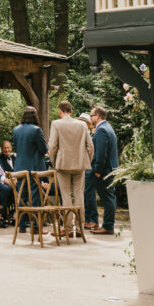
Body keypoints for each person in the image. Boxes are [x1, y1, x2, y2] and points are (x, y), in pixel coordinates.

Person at [49, 100, 94, 237]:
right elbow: (90, 147)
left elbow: (52, 147)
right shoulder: (82, 125)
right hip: (80, 165)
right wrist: (86, 161)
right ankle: (80, 228)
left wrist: (54, 162)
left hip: (62, 165)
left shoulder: (56, 124)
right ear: (72, 111)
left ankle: (68, 229)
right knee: (79, 195)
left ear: (60, 111)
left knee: (66, 196)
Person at [87, 105, 119, 234]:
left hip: (104, 170)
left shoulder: (101, 130)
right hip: (110, 168)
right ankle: (107, 225)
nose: (91, 118)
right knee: (109, 197)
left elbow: (100, 153)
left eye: (92, 116)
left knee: (107, 198)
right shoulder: (108, 127)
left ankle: (108, 226)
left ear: (98, 116)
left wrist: (97, 170)